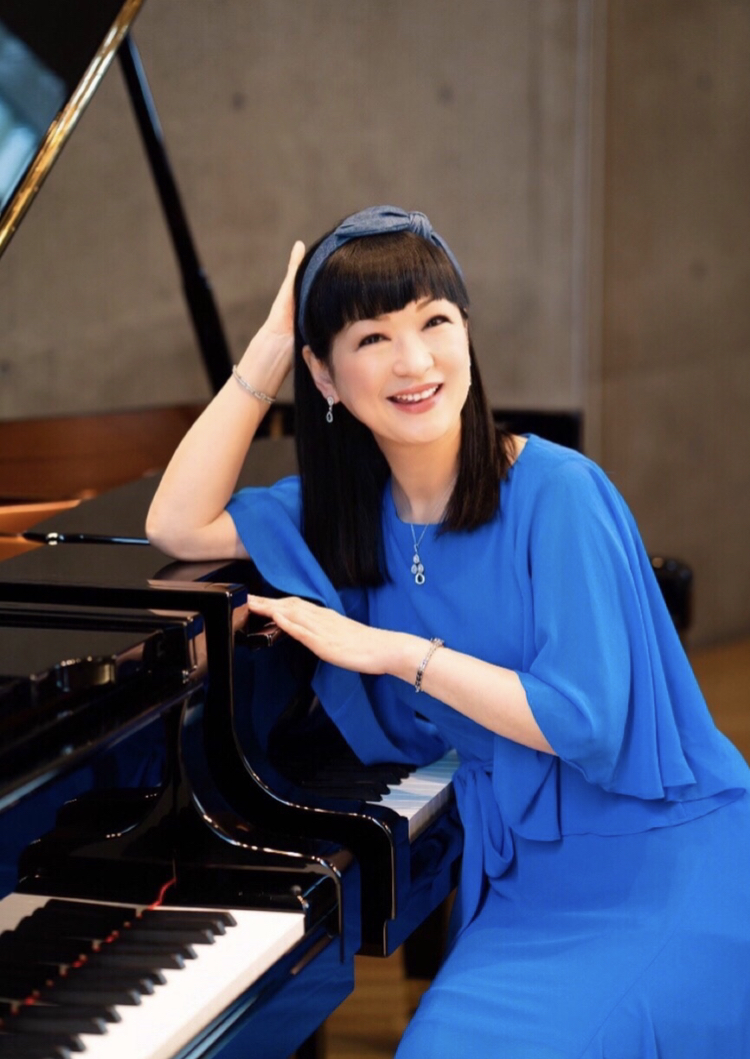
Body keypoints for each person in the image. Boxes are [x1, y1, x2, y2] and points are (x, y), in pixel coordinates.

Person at [147, 206, 750, 1057]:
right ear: (326, 373)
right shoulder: (343, 518)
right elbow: (174, 522)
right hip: (530, 882)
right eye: (372, 337)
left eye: (435, 321)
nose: (415, 360)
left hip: (662, 857)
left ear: (467, 332)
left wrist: (397, 653)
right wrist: (272, 349)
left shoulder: (559, 491)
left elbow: (584, 722)